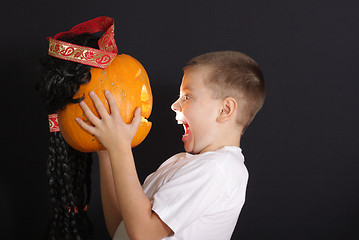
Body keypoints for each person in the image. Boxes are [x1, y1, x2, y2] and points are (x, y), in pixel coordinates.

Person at [76, 50, 266, 240]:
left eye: (187, 97)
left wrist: (119, 147)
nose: (175, 105)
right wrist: (107, 152)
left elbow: (143, 234)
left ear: (225, 110)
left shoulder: (217, 169)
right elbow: (122, 228)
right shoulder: (183, 162)